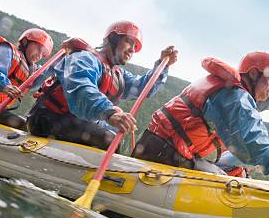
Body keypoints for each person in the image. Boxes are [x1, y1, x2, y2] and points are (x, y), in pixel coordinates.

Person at [132, 52, 269, 185]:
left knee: (234, 165)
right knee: (231, 175)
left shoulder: (233, 91)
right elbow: (255, 147)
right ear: (252, 74)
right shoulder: (234, 98)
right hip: (164, 155)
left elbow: (267, 97)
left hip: (163, 148)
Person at [27, 20, 178, 150]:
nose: (132, 50)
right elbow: (82, 89)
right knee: (108, 139)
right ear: (113, 39)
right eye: (129, 42)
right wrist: (110, 113)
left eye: (135, 47)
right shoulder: (85, 58)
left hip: (74, 121)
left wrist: (162, 66)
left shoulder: (118, 74)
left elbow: (143, 87)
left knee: (116, 133)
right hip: (48, 119)